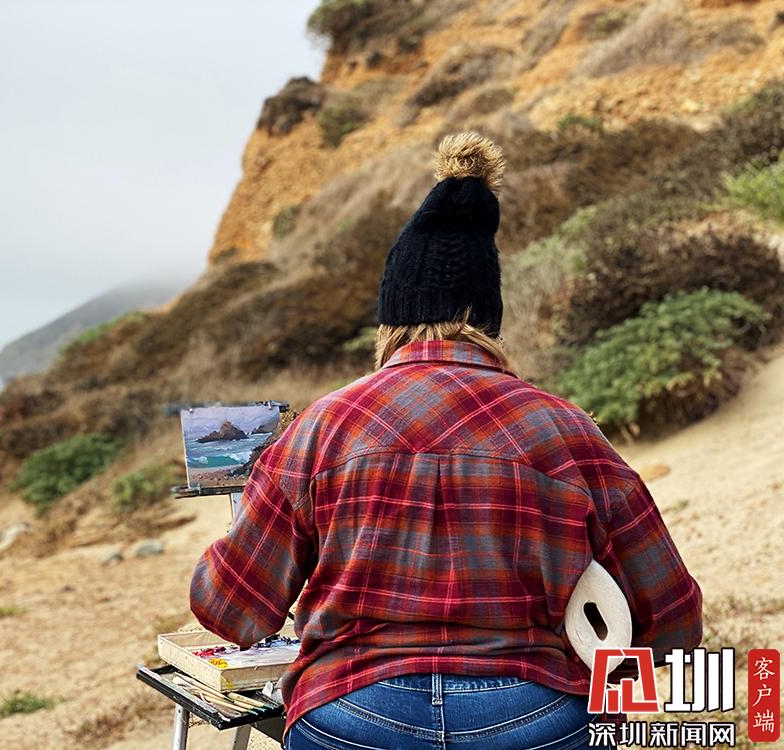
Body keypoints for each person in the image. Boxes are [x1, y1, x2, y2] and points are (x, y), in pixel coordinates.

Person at [189, 132, 703, 750]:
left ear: (391, 323)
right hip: (534, 715)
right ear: (489, 322)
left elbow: (232, 611)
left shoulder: (322, 427)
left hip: (353, 715)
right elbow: (673, 621)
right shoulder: (565, 429)